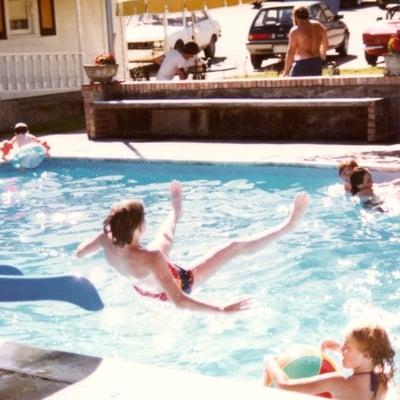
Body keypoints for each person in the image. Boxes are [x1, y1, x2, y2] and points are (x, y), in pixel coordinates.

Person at [76, 180, 309, 313]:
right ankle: (288, 225)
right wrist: (220, 310)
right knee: (233, 247)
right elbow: (179, 301)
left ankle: (176, 211)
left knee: (164, 237)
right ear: (138, 227)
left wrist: (79, 256)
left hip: (143, 288)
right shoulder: (152, 258)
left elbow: (81, 252)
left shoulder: (105, 238)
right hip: (180, 284)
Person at [263, 323, 396, 400]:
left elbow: (285, 385)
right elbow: (369, 360)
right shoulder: (382, 379)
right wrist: (339, 350)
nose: (342, 348)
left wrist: (270, 361)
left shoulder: (338, 382)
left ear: (366, 354)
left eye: (347, 347)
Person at [283, 5, 328, 77]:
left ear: (295, 16)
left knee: (294, 86)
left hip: (302, 64)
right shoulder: (318, 25)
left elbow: (291, 52)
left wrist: (286, 71)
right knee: (315, 87)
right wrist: (322, 58)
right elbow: (325, 43)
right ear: (307, 14)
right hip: (317, 62)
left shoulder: (295, 30)